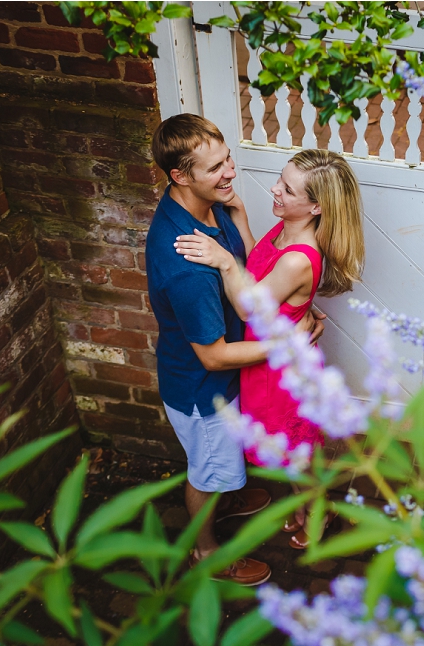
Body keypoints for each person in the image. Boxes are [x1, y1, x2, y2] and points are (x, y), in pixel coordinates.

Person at [147, 114, 325, 585]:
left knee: (224, 463)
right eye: (216, 168)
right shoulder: (187, 264)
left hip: (231, 376)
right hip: (204, 389)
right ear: (179, 176)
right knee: (207, 470)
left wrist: (291, 312)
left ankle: (229, 492)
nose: (230, 172)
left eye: (227, 158)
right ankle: (207, 553)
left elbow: (250, 275)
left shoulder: (213, 208)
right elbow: (212, 356)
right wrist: (288, 344)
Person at [173, 149, 365, 549]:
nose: (275, 189)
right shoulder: (286, 230)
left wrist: (224, 263)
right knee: (292, 455)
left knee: (296, 455)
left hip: (281, 376)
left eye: (287, 189)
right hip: (266, 362)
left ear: (316, 206)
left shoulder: (299, 257)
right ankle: (311, 507)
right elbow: (259, 262)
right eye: (281, 178)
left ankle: (319, 510)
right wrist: (241, 214)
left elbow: (249, 303)